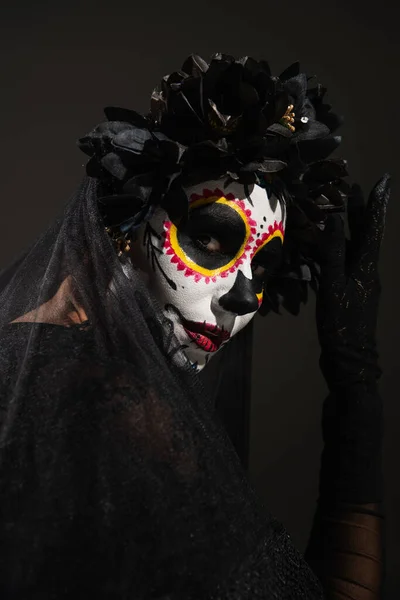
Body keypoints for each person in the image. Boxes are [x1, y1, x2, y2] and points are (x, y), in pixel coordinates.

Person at [0, 53, 389, 599]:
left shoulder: (36, 361)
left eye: (265, 266)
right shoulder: (117, 404)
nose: (246, 296)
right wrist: (355, 377)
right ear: (120, 232)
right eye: (210, 239)